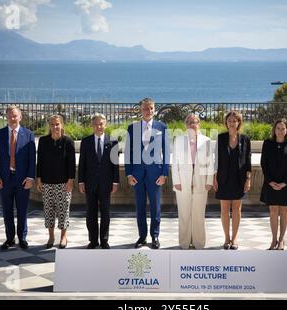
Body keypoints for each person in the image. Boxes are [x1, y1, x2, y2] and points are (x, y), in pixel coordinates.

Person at [125, 98, 169, 249]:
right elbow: (128, 153)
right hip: (137, 176)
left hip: (155, 175)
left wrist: (164, 174)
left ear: (154, 109)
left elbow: (166, 151)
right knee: (140, 207)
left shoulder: (162, 127)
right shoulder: (132, 128)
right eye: (145, 108)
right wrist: (129, 174)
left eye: (151, 108)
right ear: (141, 110)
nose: (148, 111)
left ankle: (155, 236)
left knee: (155, 207)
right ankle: (142, 236)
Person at [0, 105, 36, 250]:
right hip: (5, 179)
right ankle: (10, 239)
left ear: (20, 117)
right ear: (6, 117)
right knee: (7, 211)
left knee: (22, 210)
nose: (12, 118)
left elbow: (31, 158)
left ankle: (22, 238)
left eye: (15, 115)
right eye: (10, 115)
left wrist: (30, 177)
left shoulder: (29, 134)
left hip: (22, 180)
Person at [172, 114, 214, 249]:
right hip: (182, 182)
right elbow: (174, 164)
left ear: (199, 124)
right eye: (189, 122)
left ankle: (199, 242)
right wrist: (176, 181)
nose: (192, 124)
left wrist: (209, 181)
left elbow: (210, 163)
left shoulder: (206, 141)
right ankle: (184, 243)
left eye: (195, 122)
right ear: (185, 125)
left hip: (201, 182)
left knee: (198, 214)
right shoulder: (179, 140)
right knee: (183, 214)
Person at [79, 113, 119, 249]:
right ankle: (93, 240)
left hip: (106, 183)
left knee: (105, 212)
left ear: (105, 125)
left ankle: (104, 240)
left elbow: (115, 164)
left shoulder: (113, 142)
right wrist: (81, 182)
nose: (98, 127)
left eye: (101, 124)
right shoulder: (86, 141)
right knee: (91, 213)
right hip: (90, 183)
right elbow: (82, 163)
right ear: (92, 125)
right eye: (96, 124)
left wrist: (115, 182)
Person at [36, 115, 75, 249]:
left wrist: (70, 181)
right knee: (48, 210)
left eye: (57, 124)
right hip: (47, 182)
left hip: (63, 183)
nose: (55, 127)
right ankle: (51, 236)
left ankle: (63, 236)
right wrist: (39, 178)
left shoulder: (68, 142)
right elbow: (39, 161)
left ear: (62, 125)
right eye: (52, 124)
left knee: (63, 210)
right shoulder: (43, 141)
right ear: (49, 126)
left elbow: (71, 163)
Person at [213, 111, 251, 250]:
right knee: (224, 209)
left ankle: (234, 238)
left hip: (239, 179)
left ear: (239, 122)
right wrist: (214, 177)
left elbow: (248, 161)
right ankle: (226, 238)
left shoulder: (245, 139)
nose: (232, 122)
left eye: (235, 120)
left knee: (236, 208)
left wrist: (248, 179)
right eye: (229, 120)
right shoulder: (221, 138)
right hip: (223, 178)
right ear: (226, 122)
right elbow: (216, 159)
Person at [260, 118, 287, 250]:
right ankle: (274, 240)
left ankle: (282, 240)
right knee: (273, 210)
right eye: (278, 128)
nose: (280, 131)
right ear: (274, 130)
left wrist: (284, 183)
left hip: (286, 185)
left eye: (283, 128)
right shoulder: (267, 144)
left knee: (284, 210)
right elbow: (263, 164)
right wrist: (270, 181)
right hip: (270, 183)